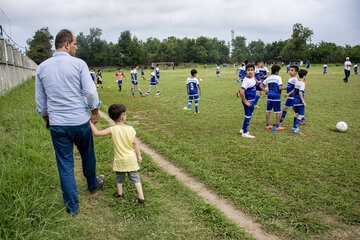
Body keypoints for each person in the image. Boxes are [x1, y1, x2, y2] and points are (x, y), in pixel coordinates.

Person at [35, 29, 104, 216]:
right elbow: (90, 92)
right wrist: (95, 111)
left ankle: (72, 208)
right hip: (80, 122)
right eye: (74, 44)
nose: (76, 47)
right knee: (87, 154)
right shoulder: (79, 64)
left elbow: (41, 103)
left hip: (58, 124)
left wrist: (46, 119)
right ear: (66, 44)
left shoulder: (41, 68)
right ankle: (92, 184)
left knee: (65, 164)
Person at [89, 103, 146, 204]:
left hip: (120, 160)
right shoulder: (130, 129)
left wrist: (90, 123)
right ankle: (141, 197)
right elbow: (135, 143)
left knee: (119, 178)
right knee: (135, 178)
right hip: (131, 159)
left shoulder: (112, 129)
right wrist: (139, 155)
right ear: (123, 117)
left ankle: (120, 194)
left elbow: (97, 133)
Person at [259, 65, 284, 132]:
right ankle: (278, 126)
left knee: (268, 110)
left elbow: (261, 85)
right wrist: (281, 92)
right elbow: (280, 88)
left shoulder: (268, 78)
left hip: (269, 96)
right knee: (278, 111)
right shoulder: (278, 78)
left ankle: (267, 125)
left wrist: (266, 91)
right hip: (276, 96)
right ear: (276, 71)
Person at [287, 69, 308, 134]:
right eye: (306, 76)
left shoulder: (297, 82)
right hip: (299, 102)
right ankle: (295, 128)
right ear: (304, 76)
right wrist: (303, 101)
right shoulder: (302, 84)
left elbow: (295, 90)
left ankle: (293, 127)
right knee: (301, 115)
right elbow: (300, 93)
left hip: (294, 101)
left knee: (297, 114)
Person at [239, 63, 257, 138]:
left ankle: (243, 129)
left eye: (252, 70)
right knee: (248, 116)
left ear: (254, 71)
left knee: (249, 115)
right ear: (246, 71)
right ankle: (245, 133)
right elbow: (241, 91)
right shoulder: (246, 81)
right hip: (248, 101)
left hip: (252, 100)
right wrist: (245, 101)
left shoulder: (252, 78)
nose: (250, 71)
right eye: (248, 70)